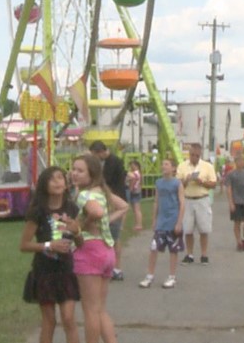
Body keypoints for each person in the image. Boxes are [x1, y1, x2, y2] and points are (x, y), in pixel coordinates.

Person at [70, 153, 128, 343]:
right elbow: (123, 206)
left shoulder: (84, 195)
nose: (74, 174)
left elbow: (96, 211)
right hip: (106, 249)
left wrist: (82, 224)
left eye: (80, 171)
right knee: (100, 308)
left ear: (92, 173)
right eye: (73, 169)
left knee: (90, 310)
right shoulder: (102, 192)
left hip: (89, 250)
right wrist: (105, 220)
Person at [20, 166, 81, 343]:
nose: (57, 182)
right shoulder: (37, 211)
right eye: (52, 179)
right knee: (50, 320)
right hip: (44, 271)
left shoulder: (72, 208)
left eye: (61, 178)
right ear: (45, 185)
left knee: (69, 318)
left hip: (66, 270)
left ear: (66, 183)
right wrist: (49, 245)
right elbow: (24, 245)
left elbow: (80, 244)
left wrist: (76, 232)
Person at [139, 156, 184, 289]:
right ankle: (150, 275)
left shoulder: (177, 183)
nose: (164, 166)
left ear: (173, 168)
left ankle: (172, 276)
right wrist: (154, 220)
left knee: (173, 249)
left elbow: (182, 203)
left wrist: (179, 222)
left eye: (167, 164)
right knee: (154, 247)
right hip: (161, 221)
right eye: (163, 164)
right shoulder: (159, 183)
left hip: (173, 219)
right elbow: (156, 201)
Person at [89, 141, 127, 281]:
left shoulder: (113, 162)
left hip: (115, 202)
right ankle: (110, 266)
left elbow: (105, 181)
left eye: (95, 155)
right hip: (110, 201)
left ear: (101, 152)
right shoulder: (106, 162)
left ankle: (116, 267)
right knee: (108, 235)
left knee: (113, 236)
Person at [176, 143, 217, 264]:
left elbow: (213, 184)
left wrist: (202, 182)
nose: (194, 157)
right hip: (187, 199)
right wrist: (186, 180)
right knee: (188, 229)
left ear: (200, 155)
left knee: (204, 228)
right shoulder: (182, 166)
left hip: (202, 199)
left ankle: (204, 254)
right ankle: (189, 254)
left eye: (197, 155)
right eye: (192, 155)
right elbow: (177, 184)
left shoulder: (207, 166)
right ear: (189, 154)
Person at [224, 154, 244, 251]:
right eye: (239, 161)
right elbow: (228, 189)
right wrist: (230, 202)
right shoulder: (231, 174)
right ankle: (239, 242)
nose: (241, 163)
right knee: (237, 223)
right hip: (236, 201)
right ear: (235, 162)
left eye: (242, 161)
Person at [126, 160, 143, 232]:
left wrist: (130, 189)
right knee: (137, 209)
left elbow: (133, 181)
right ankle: (138, 224)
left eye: (132, 165)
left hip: (134, 191)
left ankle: (138, 225)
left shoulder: (134, 173)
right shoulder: (140, 173)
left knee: (136, 209)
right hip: (138, 190)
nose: (131, 167)